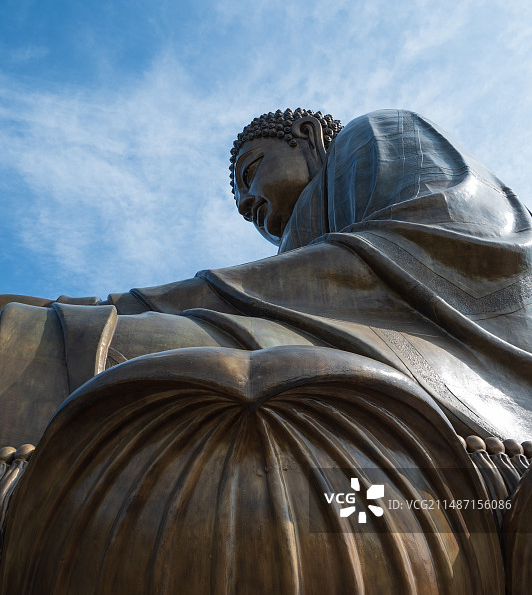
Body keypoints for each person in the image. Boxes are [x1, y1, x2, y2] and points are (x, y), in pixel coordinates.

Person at [0, 108, 531, 447]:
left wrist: (109, 305)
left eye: (252, 172)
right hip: (327, 344)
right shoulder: (297, 247)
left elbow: (459, 246)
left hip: (451, 359)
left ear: (304, 136)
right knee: (37, 341)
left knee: (57, 342)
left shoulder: (379, 135)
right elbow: (283, 291)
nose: (250, 203)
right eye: (243, 205)